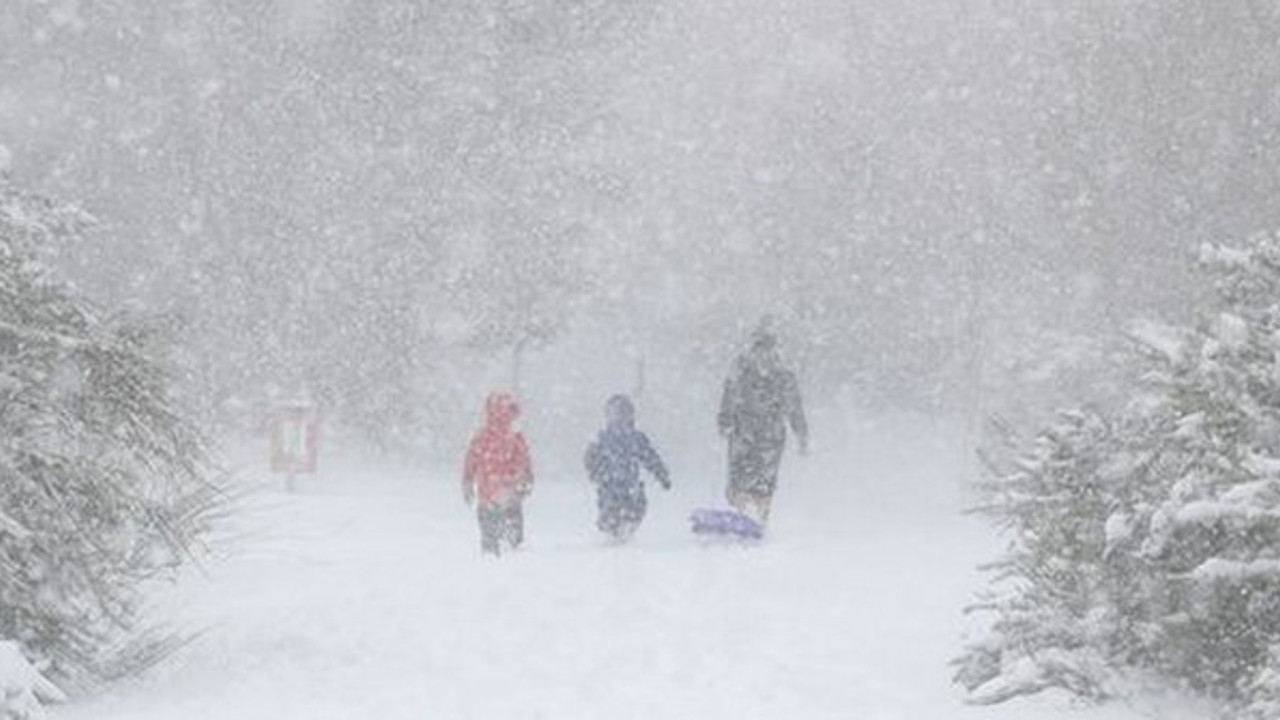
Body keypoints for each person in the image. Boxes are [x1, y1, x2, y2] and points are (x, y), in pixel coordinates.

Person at [717, 325, 807, 526]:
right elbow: (795, 407)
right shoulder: (781, 374)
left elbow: (729, 395)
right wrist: (801, 433)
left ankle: (744, 515)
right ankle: (757, 518)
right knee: (762, 480)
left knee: (743, 477)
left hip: (749, 432)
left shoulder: (742, 369)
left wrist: (725, 420)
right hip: (766, 433)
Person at [585, 394, 671, 542]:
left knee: (637, 509)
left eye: (625, 414)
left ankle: (626, 530)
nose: (621, 419)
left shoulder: (635, 438)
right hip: (609, 485)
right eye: (616, 414)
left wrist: (662, 475)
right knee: (611, 511)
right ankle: (612, 532)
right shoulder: (603, 438)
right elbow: (590, 459)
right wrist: (596, 473)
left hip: (631, 484)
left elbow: (650, 457)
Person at [462, 392, 533, 555]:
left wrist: (467, 482)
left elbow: (470, 463)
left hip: (489, 497)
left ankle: (492, 569)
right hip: (510, 496)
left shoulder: (481, 436)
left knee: (491, 543)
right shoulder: (515, 436)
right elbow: (525, 461)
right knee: (512, 544)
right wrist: (526, 479)